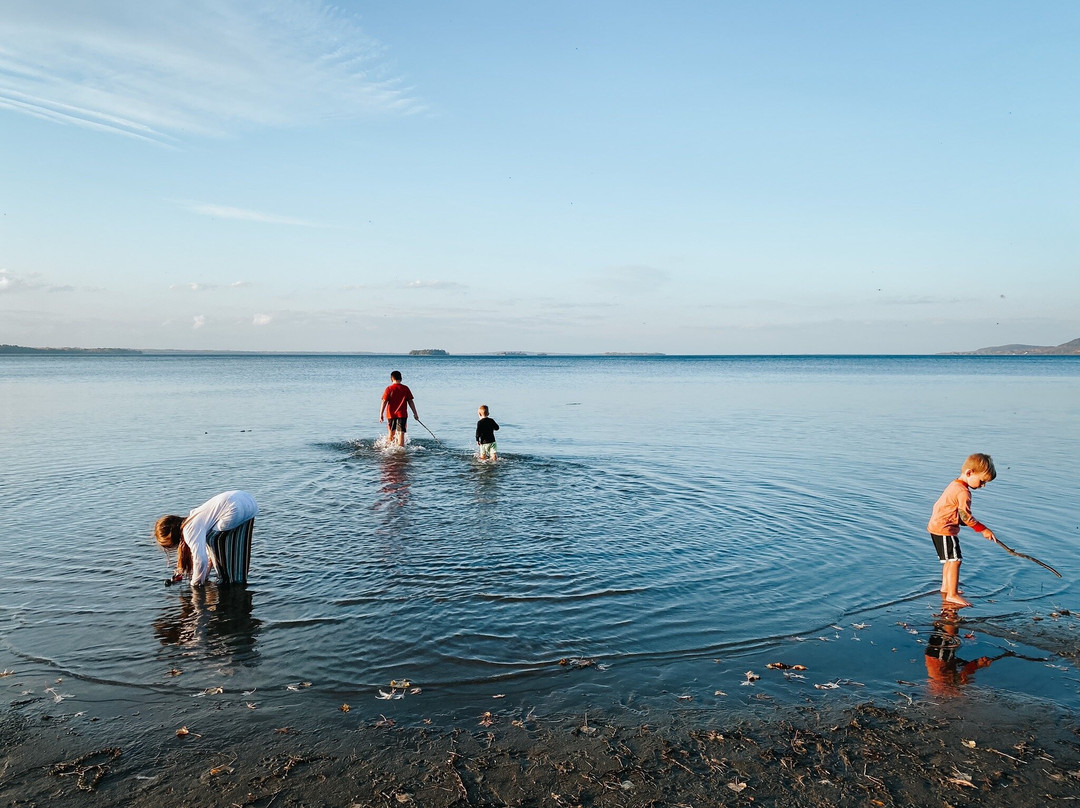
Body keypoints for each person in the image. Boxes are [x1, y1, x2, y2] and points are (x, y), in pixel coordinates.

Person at [927, 453, 997, 608]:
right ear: (969, 473)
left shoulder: (955, 485)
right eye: (982, 481)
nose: (983, 485)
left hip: (938, 525)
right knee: (955, 560)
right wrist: (983, 529)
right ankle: (952, 595)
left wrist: (962, 521)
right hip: (944, 528)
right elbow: (965, 516)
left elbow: (955, 512)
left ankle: (946, 588)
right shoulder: (963, 492)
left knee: (949, 560)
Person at [155, 490, 258, 587]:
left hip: (234, 510)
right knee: (234, 548)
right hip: (249, 503)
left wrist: (195, 583)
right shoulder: (194, 516)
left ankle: (230, 583)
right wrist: (204, 575)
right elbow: (208, 557)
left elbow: (201, 560)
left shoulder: (189, 529)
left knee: (212, 542)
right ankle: (239, 581)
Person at [379, 370, 419, 448]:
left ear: (391, 379)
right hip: (402, 415)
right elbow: (410, 402)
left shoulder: (389, 389)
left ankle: (389, 449)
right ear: (401, 378)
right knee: (401, 433)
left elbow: (384, 402)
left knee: (391, 433)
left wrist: (381, 414)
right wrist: (415, 414)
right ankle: (401, 450)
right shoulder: (405, 388)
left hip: (391, 415)